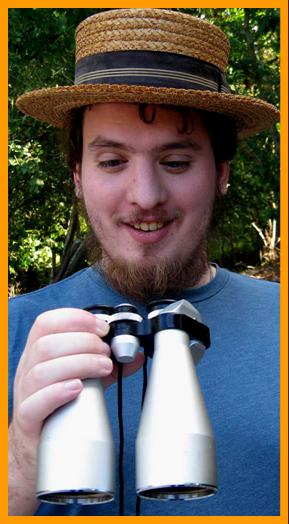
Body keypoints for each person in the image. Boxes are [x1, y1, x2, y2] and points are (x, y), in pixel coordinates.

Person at [9, 8, 280, 517]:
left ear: (221, 173)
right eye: (112, 161)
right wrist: (23, 455)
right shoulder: (13, 329)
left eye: (176, 162)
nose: (146, 196)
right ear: (77, 177)